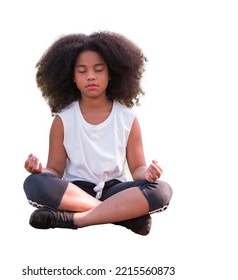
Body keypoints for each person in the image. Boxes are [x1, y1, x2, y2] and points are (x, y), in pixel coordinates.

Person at [23, 31, 172, 235]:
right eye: (82, 71)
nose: (91, 76)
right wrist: (40, 172)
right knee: (34, 183)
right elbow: (55, 171)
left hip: (116, 191)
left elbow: (137, 167)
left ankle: (74, 219)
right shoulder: (62, 120)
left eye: (98, 70)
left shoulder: (127, 118)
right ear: (72, 78)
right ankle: (125, 217)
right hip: (75, 191)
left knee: (161, 191)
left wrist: (147, 174)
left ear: (110, 74)